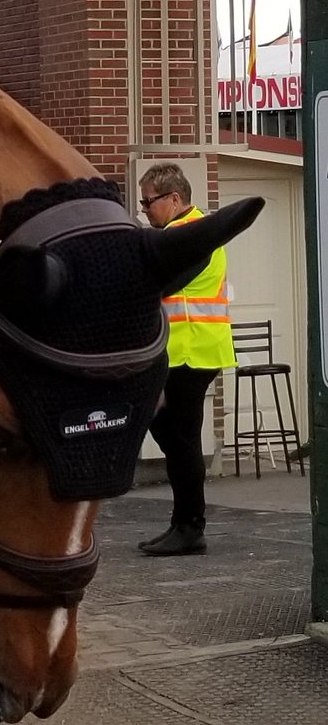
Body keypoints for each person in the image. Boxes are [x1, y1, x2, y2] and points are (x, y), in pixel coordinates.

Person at [136, 163, 236, 556]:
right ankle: (184, 524)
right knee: (175, 436)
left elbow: (161, 282)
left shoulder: (190, 234)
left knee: (182, 439)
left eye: (149, 202)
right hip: (187, 350)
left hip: (191, 350)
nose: (145, 209)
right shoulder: (188, 232)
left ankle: (190, 527)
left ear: (174, 198)